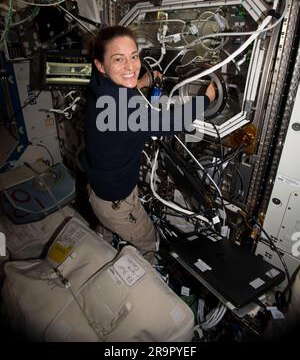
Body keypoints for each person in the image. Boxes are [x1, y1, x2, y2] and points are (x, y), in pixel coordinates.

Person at [81, 25, 216, 263]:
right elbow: (171, 122)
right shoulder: (121, 109)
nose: (131, 66)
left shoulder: (99, 87)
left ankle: (99, 258)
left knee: (106, 233)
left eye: (134, 56)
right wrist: (206, 99)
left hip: (98, 193)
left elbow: (126, 100)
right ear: (100, 65)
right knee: (149, 242)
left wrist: (141, 82)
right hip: (117, 203)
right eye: (118, 59)